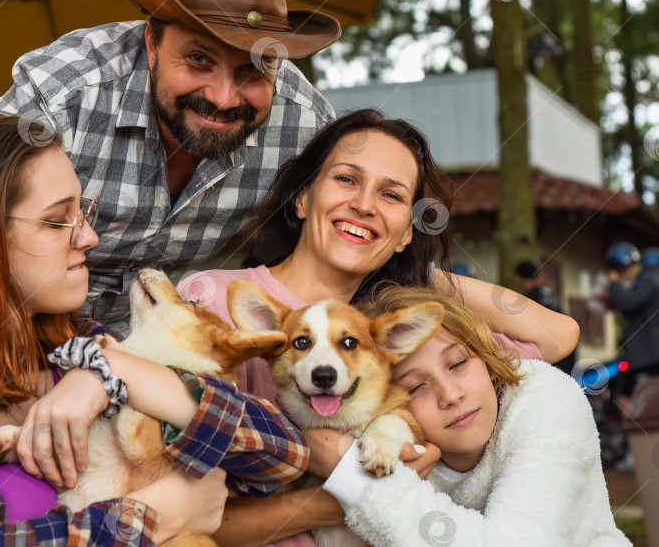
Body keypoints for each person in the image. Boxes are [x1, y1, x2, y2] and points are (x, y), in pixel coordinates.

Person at [0, 112, 309, 545]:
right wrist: (157, 512)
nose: (88, 236)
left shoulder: (75, 346)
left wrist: (109, 370)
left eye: (83, 210)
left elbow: (283, 455)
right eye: (57, 220)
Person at [177, 109, 580, 546]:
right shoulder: (215, 300)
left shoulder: (387, 325)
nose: (365, 205)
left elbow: (557, 336)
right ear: (303, 198)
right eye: (347, 179)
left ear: (408, 228)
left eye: (391, 196)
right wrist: (344, 495)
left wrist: (409, 264)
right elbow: (173, 513)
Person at [0, 0, 342, 336]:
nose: (224, 98)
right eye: (198, 59)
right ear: (151, 43)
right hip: (4, 333)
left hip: (159, 355)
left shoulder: (307, 127)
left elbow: (355, 249)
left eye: (253, 69)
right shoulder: (61, 95)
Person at [321, 284, 630, 547]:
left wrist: (356, 480)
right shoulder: (389, 438)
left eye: (458, 363)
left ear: (485, 356)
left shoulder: (548, 402)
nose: (451, 395)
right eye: (416, 387)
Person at [605, 242, 659, 405]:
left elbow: (627, 302)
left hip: (648, 356)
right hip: (650, 354)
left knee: (624, 391)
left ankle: (635, 428)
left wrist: (614, 284)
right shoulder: (651, 279)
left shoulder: (649, 280)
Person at [514, 260, 573, 374]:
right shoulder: (549, 293)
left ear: (520, 278)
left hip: (550, 347)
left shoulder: (530, 298)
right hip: (568, 345)